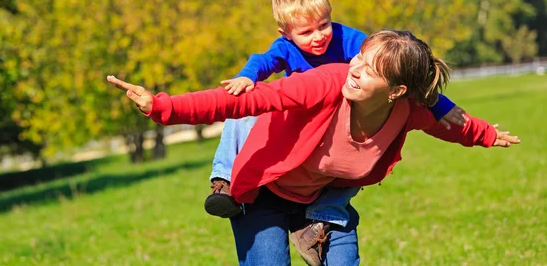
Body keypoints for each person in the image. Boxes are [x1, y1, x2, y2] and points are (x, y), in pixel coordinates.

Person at [107, 29, 519, 265]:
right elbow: (244, 101)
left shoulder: (407, 112)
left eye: (370, 71)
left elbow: (449, 124)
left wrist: (485, 134)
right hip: (265, 193)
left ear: (397, 91)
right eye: (359, 58)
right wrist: (163, 107)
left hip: (322, 206)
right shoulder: (326, 83)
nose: (354, 70)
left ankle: (311, 231)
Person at [205, 0, 466, 261]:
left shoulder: (348, 39)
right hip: (299, 124)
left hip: (337, 123)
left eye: (324, 25)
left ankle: (324, 215)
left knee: (361, 157)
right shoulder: (284, 47)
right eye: (306, 32)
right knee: (243, 108)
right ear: (286, 33)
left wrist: (442, 106)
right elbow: (262, 61)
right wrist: (247, 77)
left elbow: (396, 69)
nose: (318, 36)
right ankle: (224, 180)